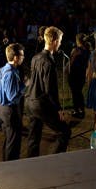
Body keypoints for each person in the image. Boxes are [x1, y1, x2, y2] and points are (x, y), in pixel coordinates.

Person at [25, 26, 70, 157]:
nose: (60, 43)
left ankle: (31, 163)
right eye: (60, 40)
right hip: (40, 103)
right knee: (64, 131)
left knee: (34, 136)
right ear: (55, 41)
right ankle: (55, 160)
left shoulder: (35, 57)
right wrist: (59, 109)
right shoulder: (49, 62)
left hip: (30, 101)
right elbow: (50, 90)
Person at [0, 43, 26, 161]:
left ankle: (6, 164)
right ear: (16, 57)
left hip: (2, 109)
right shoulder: (11, 73)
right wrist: (24, 86)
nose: (23, 58)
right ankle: (11, 167)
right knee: (13, 143)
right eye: (22, 55)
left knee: (8, 140)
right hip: (10, 110)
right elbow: (13, 97)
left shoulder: (2, 70)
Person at [66, 33, 90, 118]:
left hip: (74, 74)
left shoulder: (76, 50)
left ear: (77, 41)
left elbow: (70, 63)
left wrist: (67, 72)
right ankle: (81, 109)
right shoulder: (87, 50)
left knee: (75, 92)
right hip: (82, 74)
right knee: (79, 92)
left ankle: (77, 110)